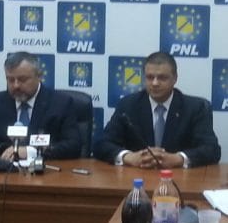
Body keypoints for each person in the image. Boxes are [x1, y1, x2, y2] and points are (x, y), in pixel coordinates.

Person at [93, 51, 221, 168]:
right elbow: (101, 144)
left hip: (179, 178)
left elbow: (212, 149)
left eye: (162, 78)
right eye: (150, 77)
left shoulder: (195, 108)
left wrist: (178, 159)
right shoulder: (128, 105)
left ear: (175, 78)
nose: (155, 83)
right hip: (137, 177)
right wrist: (128, 157)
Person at [0, 51, 81, 161]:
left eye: (22, 79)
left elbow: (73, 146)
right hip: (2, 169)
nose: (16, 85)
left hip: (45, 170)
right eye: (10, 80)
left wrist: (31, 151)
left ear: (39, 76)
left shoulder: (61, 103)